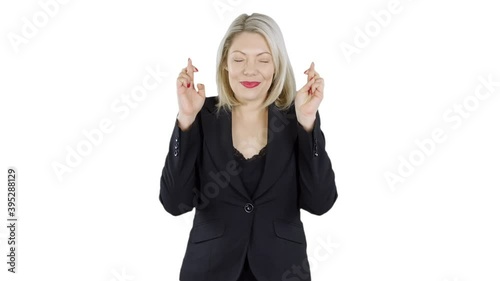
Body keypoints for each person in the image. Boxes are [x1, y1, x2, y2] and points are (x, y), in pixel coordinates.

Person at [159, 12, 338, 281]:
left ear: (276, 66)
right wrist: (185, 119)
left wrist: (308, 123)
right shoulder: (201, 113)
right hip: (209, 271)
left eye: (263, 60)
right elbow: (175, 203)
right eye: (239, 59)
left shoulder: (296, 117)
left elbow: (320, 202)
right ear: (225, 66)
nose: (250, 70)